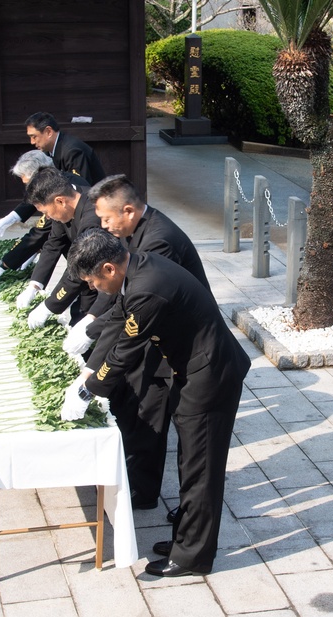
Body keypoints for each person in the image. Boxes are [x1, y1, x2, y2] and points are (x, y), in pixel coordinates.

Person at [62, 228, 250, 578]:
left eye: (91, 281)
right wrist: (89, 332)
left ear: (108, 269)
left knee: (201, 470)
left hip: (210, 377)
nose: (91, 289)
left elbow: (124, 352)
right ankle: (186, 537)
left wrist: (89, 387)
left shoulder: (147, 286)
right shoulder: (138, 268)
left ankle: (192, 557)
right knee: (189, 461)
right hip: (193, 370)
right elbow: (120, 314)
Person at [63, 175, 214, 510]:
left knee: (148, 411)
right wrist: (91, 340)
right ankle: (135, 479)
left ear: (128, 211)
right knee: (131, 404)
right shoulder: (135, 232)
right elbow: (122, 307)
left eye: (105, 218)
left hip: (177, 344)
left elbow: (135, 312)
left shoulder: (159, 240)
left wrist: (91, 382)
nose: (102, 225)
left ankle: (143, 492)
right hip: (153, 328)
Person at [0, 150, 88, 283]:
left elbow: (39, 235)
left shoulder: (59, 195)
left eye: (29, 183)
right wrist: (13, 216)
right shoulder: (60, 179)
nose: (29, 187)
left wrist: (3, 264)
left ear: (39, 175)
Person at [17, 166, 102, 328]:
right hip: (89, 279)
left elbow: (82, 263)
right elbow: (53, 244)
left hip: (105, 282)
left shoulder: (93, 215)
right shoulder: (66, 205)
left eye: (47, 212)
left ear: (60, 201)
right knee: (78, 317)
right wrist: (34, 285)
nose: (47, 217)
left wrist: (50, 306)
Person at [25, 112, 105, 185]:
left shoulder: (72, 151)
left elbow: (80, 187)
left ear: (49, 132)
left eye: (34, 137)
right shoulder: (47, 150)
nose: (32, 142)